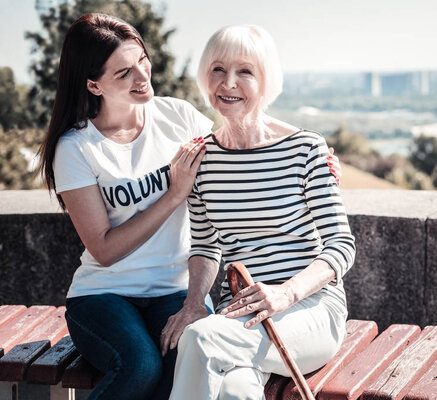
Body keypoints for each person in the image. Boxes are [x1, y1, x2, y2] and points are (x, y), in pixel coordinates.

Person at [38, 14, 342, 400]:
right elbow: (104, 248)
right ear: (93, 84)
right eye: (124, 73)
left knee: (187, 374)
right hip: (106, 293)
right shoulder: (77, 147)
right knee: (141, 366)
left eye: (142, 62)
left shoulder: (176, 116)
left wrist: (311, 149)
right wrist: (173, 195)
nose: (142, 77)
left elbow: (239, 126)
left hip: (172, 290)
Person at [168, 25, 355, 399]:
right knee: (234, 390)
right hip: (236, 317)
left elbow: (341, 246)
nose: (229, 83)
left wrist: (285, 294)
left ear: (266, 81)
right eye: (218, 69)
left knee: (201, 339)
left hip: (310, 310)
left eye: (245, 72)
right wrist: (192, 305)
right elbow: (206, 247)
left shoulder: (305, 149)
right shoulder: (201, 160)